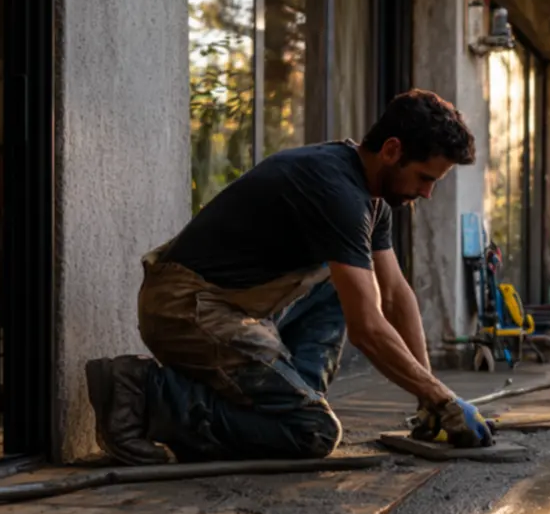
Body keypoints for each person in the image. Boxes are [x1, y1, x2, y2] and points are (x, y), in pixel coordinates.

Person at [85, 89, 493, 465]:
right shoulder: (337, 192)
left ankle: (291, 400)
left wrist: (429, 395)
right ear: (392, 150)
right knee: (310, 433)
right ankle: (141, 391)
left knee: (349, 283)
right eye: (425, 178)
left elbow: (395, 294)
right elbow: (367, 328)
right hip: (184, 307)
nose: (427, 194)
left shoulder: (371, 199)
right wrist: (442, 399)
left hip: (236, 305)